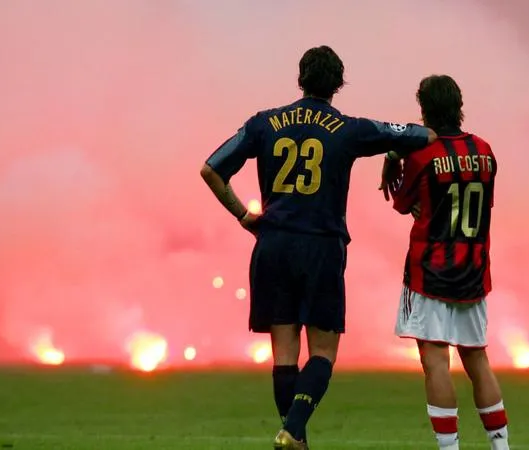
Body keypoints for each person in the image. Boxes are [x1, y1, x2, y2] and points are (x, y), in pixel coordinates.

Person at [199, 45, 437, 450]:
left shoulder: (265, 123)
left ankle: (295, 438)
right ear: (338, 84)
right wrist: (392, 153)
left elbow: (211, 169)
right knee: (323, 352)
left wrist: (244, 215)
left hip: (273, 245)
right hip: (322, 248)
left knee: (285, 356)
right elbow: (422, 135)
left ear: (300, 78)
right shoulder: (349, 128)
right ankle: (293, 432)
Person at [389, 75, 509, 450]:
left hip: (430, 271)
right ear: (459, 105)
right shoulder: (485, 150)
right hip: (473, 270)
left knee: (435, 361)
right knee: (477, 358)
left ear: (423, 108)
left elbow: (404, 203)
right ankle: (501, 447)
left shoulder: (421, 154)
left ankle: (449, 449)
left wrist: (395, 156)